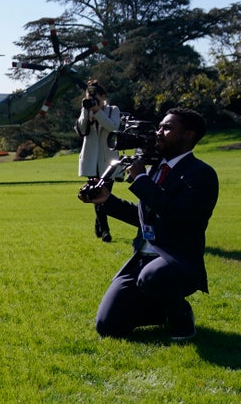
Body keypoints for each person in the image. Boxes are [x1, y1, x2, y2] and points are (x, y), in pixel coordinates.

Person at [81, 107, 218, 341]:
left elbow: (178, 216)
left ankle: (181, 317)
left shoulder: (201, 174)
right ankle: (160, 309)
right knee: (108, 326)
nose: (158, 132)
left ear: (189, 135)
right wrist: (107, 201)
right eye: (159, 126)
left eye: (167, 128)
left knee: (154, 277)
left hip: (176, 261)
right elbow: (146, 216)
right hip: (142, 260)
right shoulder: (155, 169)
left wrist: (142, 180)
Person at [75, 80, 121, 242]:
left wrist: (98, 111)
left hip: (108, 161)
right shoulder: (86, 110)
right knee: (95, 193)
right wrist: (87, 112)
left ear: (103, 97)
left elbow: (113, 127)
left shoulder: (113, 110)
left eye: (96, 98)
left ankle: (99, 225)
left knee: (105, 195)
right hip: (90, 160)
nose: (93, 101)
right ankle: (105, 230)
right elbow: (81, 130)